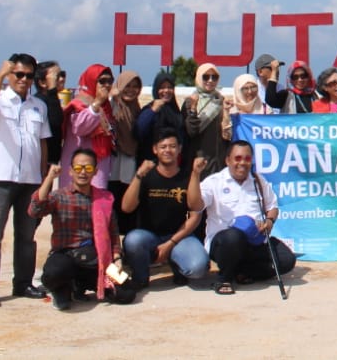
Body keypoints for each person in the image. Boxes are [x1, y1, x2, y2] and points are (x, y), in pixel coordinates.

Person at [0, 55, 51, 308]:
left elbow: (42, 143)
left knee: (27, 236)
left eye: (28, 76)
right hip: (0, 178)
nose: (23, 80)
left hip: (30, 179)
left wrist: (42, 180)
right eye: (18, 74)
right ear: (10, 75)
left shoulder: (38, 106)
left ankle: (23, 283)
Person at [188, 141, 296, 295]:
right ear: (228, 160)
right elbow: (194, 205)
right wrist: (195, 174)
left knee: (287, 260)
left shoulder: (258, 181)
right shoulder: (214, 182)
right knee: (234, 237)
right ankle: (224, 278)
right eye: (237, 158)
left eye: (247, 158)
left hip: (255, 241)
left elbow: (272, 207)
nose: (242, 163)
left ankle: (242, 271)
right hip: (225, 244)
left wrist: (269, 221)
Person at [29, 149, 133, 309]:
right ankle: (63, 288)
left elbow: (113, 231)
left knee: (126, 292)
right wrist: (49, 178)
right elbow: (35, 210)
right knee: (54, 274)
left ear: (95, 171)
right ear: (70, 171)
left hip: (96, 261)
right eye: (78, 168)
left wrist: (117, 258)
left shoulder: (104, 198)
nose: (83, 172)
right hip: (66, 257)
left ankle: (81, 285)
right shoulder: (59, 196)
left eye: (88, 168)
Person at [121, 129, 207, 290]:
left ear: (179, 149)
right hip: (148, 236)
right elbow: (126, 207)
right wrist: (138, 175)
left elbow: (196, 211)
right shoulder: (146, 175)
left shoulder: (187, 176)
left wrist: (196, 174)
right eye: (163, 146)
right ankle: (140, 276)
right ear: (155, 149)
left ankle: (177, 264)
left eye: (172, 146)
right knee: (133, 241)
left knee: (198, 268)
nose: (168, 150)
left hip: (178, 237)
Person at [60, 64, 116, 191]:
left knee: (97, 206)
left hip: (99, 167)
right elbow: (80, 128)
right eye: (102, 81)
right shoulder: (78, 104)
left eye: (110, 81)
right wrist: (96, 104)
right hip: (79, 168)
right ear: (91, 82)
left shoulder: (107, 107)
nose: (107, 85)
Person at [107, 71, 144, 232]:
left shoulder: (136, 108)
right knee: (112, 195)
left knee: (128, 195)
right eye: (127, 86)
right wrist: (112, 97)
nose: (131, 90)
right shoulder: (112, 105)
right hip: (113, 158)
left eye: (135, 86)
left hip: (131, 158)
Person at [185, 63, 232, 180]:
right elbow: (191, 131)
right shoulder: (190, 101)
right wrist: (193, 109)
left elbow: (227, 134)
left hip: (218, 161)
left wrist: (226, 111)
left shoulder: (220, 100)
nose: (210, 81)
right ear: (199, 78)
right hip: (198, 160)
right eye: (206, 77)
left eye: (214, 77)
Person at [134, 73, 186, 165]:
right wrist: (152, 111)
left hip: (173, 165)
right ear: (156, 89)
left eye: (169, 87)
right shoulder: (149, 109)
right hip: (150, 164)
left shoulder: (176, 111)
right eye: (162, 87)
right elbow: (138, 132)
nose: (166, 90)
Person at [35, 60, 66, 167]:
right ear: (42, 82)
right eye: (56, 77)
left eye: (62, 74)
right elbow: (56, 120)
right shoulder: (39, 102)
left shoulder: (51, 99)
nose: (61, 79)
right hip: (41, 161)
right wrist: (52, 89)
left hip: (51, 158)